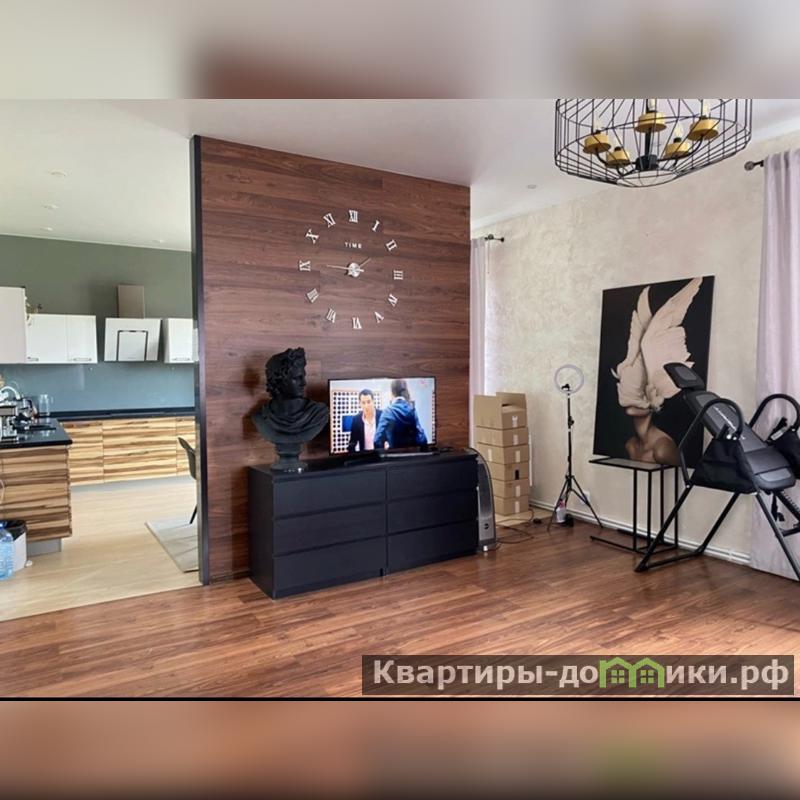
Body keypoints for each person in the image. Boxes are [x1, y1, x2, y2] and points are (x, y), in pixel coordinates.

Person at [373, 379, 428, 449]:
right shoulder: (412, 410)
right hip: (411, 454)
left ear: (392, 392)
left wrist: (386, 452)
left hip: (394, 454)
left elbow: (377, 440)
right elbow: (422, 439)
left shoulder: (387, 412)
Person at [347, 389, 382, 453]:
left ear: (373, 401)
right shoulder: (356, 419)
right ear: (360, 404)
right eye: (363, 403)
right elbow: (352, 442)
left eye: (368, 402)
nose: (366, 406)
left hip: (380, 454)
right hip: (364, 454)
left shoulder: (382, 416)